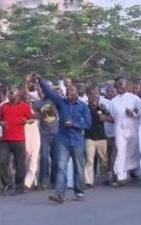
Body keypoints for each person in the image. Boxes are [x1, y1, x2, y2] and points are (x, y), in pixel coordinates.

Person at [36, 75, 91, 204]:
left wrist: (74, 125)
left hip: (77, 141)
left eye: (71, 90)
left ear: (77, 93)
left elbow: (88, 124)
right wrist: (41, 81)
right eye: (67, 90)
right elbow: (50, 92)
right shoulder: (61, 103)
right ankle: (59, 193)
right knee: (61, 167)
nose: (68, 92)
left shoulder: (83, 106)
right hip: (63, 140)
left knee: (78, 167)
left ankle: (79, 191)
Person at [0, 86, 33, 194]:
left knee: (20, 164)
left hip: (19, 139)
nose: (9, 94)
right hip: (6, 139)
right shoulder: (4, 106)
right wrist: (0, 123)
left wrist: (26, 121)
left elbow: (32, 118)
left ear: (18, 95)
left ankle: (19, 186)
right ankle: (7, 182)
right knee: (1, 161)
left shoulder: (25, 106)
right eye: (9, 92)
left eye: (12, 93)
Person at [108, 77, 141, 187]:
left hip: (133, 128)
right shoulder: (113, 101)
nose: (120, 87)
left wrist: (133, 114)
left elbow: (140, 111)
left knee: (132, 151)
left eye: (122, 84)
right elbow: (113, 115)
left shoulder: (135, 98)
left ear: (127, 85)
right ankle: (120, 176)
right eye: (118, 85)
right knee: (121, 151)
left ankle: (132, 170)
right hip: (119, 129)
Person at [33, 84, 59, 189]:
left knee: (56, 159)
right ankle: (42, 181)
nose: (43, 92)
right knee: (44, 158)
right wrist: (39, 115)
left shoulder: (55, 101)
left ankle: (54, 180)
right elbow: (33, 115)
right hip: (44, 134)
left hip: (56, 133)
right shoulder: (37, 103)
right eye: (41, 91)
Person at [84, 88, 110, 187]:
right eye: (93, 96)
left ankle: (105, 177)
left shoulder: (102, 108)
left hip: (101, 137)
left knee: (104, 160)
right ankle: (89, 181)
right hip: (89, 137)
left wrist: (105, 117)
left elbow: (111, 118)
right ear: (89, 97)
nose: (95, 99)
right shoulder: (85, 108)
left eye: (97, 97)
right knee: (89, 160)